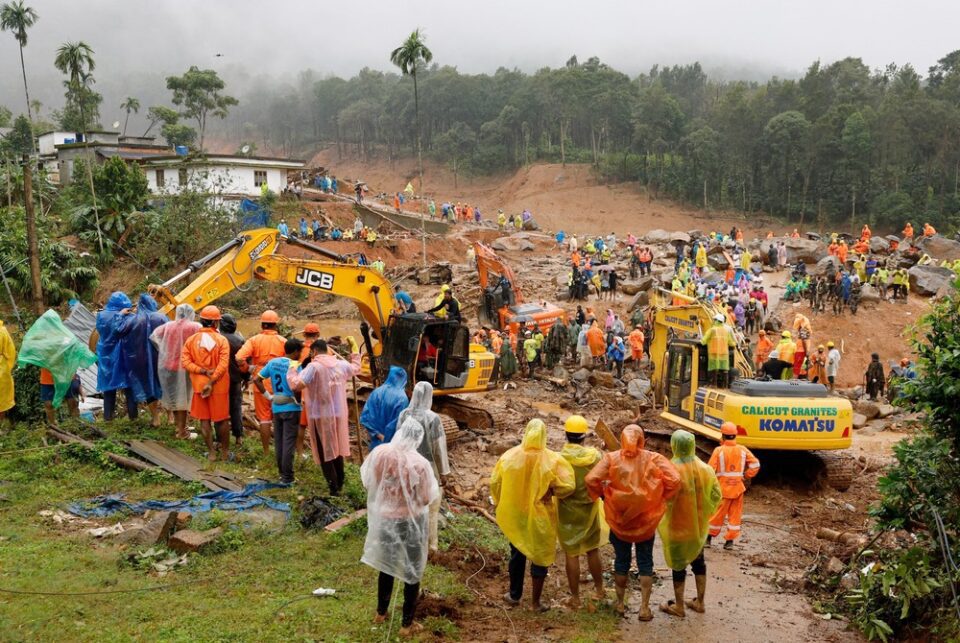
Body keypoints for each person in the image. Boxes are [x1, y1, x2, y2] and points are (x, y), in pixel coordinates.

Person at [585, 424, 680, 620]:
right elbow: (675, 479)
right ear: (641, 439)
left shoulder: (611, 458)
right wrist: (660, 497)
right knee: (646, 563)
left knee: (621, 562)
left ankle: (620, 604)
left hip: (620, 522)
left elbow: (591, 479)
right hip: (646, 522)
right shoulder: (653, 458)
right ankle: (644, 609)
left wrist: (603, 494)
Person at [362, 417, 439, 637]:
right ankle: (407, 624)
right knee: (412, 570)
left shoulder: (381, 454)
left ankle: (381, 612)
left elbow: (371, 483)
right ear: (417, 438)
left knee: (386, 565)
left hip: (386, 519)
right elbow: (426, 498)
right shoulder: (420, 464)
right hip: (410, 522)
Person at [491, 419, 575, 611]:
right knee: (539, 556)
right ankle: (535, 603)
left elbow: (495, 483)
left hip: (516, 513)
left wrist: (499, 502)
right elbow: (568, 485)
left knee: (517, 553)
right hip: (540, 515)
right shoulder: (552, 459)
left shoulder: (509, 457)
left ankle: (514, 595)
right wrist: (553, 491)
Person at [657, 430, 722, 618]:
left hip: (676, 526)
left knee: (678, 565)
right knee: (699, 562)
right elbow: (717, 496)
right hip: (697, 528)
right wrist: (703, 513)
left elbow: (660, 496)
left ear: (674, 445)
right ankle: (700, 602)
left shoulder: (669, 469)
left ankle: (679, 606)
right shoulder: (706, 470)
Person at [288, 336, 361, 494]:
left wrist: (292, 369)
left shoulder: (314, 367)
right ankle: (340, 482)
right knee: (336, 448)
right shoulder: (340, 364)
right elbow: (356, 368)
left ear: (313, 352)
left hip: (320, 415)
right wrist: (354, 349)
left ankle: (333, 488)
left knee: (324, 452)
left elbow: (297, 385)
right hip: (338, 414)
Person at [557, 415, 609, 610]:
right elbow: (604, 478)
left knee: (571, 553)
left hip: (567, 510)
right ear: (584, 437)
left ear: (566, 435)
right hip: (589, 508)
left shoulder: (560, 458)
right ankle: (599, 590)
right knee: (592, 549)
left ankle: (575, 598)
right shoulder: (594, 456)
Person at [397, 381, 449, 552]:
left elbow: (398, 440)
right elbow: (439, 448)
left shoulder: (404, 414)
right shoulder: (433, 418)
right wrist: (444, 473)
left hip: (406, 465)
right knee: (431, 508)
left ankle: (408, 538)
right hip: (429, 468)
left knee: (410, 504)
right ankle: (431, 546)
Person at [181, 306, 232, 461]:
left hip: (199, 387)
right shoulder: (222, 340)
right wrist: (211, 381)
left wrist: (202, 372)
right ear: (216, 323)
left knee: (205, 420)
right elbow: (223, 366)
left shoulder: (191, 340)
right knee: (222, 420)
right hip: (218, 387)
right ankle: (224, 453)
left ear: (202, 321)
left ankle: (211, 453)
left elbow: (185, 362)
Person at [235, 310, 287, 453]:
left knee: (264, 419)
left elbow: (239, 358)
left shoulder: (254, 340)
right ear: (276, 325)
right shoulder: (283, 341)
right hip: (279, 382)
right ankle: (281, 450)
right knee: (280, 418)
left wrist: (249, 369)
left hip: (261, 382)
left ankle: (265, 451)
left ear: (262, 324)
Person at [255, 338, 303, 484]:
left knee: (279, 441)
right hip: (291, 407)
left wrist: (268, 396)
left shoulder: (273, 362)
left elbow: (257, 380)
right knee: (289, 441)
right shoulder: (295, 365)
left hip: (277, 406)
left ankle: (282, 473)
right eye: (299, 351)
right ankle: (287, 477)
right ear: (295, 352)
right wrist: (299, 401)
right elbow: (297, 386)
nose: (300, 354)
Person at [708, 422, 760, 549]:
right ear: (735, 435)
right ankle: (729, 542)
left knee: (716, 514)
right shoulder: (742, 450)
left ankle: (707, 539)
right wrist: (746, 476)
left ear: (723, 435)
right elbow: (755, 465)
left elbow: (709, 470)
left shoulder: (719, 450)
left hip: (722, 489)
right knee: (735, 516)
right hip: (738, 489)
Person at [151, 304, 200, 439]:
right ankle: (182, 432)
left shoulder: (168, 326)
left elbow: (153, 336)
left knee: (176, 397)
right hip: (186, 367)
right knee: (183, 399)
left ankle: (180, 425)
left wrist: (164, 349)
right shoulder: (195, 327)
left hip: (169, 366)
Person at [116, 293, 166, 425]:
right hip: (160, 357)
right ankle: (171, 417)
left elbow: (118, 330)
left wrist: (121, 315)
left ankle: (156, 418)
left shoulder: (133, 320)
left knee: (148, 386)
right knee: (165, 384)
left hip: (140, 359)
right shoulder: (161, 317)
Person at [96, 292, 137, 421]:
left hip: (105, 356)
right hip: (125, 357)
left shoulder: (101, 315)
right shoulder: (128, 316)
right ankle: (134, 419)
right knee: (130, 389)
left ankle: (108, 419)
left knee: (108, 389)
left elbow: (99, 331)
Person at [360, 365, 409, 450]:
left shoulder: (377, 392)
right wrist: (387, 438)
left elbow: (365, 416)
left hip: (375, 444)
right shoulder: (403, 399)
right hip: (392, 446)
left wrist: (377, 434)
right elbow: (398, 423)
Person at [219, 314, 248, 448]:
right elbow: (245, 362)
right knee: (236, 408)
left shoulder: (217, 339)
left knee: (219, 409)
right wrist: (246, 378)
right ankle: (238, 437)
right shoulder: (240, 340)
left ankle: (220, 439)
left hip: (219, 379)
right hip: (235, 380)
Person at [701, 313, 735, 387]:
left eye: (714, 320)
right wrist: (734, 345)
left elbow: (704, 340)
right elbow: (731, 342)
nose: (713, 321)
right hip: (724, 354)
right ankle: (724, 386)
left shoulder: (712, 330)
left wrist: (701, 342)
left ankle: (714, 384)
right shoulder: (725, 331)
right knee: (724, 369)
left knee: (714, 369)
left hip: (714, 352)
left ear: (717, 320)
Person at [0, 319, 16, 426]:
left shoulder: (2, 332)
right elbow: (11, 351)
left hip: (2, 369)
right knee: (2, 400)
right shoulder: (3, 331)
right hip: (3, 369)